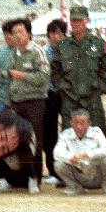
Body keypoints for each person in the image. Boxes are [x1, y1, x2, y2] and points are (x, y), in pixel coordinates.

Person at [4, 17, 49, 193]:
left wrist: (23, 76)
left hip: (34, 102)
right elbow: (8, 80)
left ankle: (34, 179)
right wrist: (8, 103)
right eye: (14, 33)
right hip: (16, 103)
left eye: (21, 32)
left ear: (29, 33)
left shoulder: (38, 52)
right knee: (16, 140)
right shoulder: (13, 54)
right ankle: (20, 179)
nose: (18, 36)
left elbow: (44, 77)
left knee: (34, 140)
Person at [52, 6, 106, 137]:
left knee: (98, 136)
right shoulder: (62, 45)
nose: (76, 23)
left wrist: (99, 86)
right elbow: (55, 70)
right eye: (73, 21)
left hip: (92, 99)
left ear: (86, 20)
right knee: (69, 136)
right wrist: (62, 88)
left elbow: (105, 69)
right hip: (70, 99)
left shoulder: (99, 44)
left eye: (79, 20)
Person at [54, 109, 106, 196]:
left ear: (89, 123)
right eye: (76, 123)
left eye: (82, 123)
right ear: (71, 123)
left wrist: (88, 154)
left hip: (97, 176)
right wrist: (71, 157)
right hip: (78, 176)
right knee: (58, 164)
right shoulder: (65, 134)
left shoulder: (96, 132)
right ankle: (75, 187)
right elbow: (56, 153)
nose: (79, 127)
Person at [42, 19, 66, 186]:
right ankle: (52, 170)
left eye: (60, 33)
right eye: (53, 33)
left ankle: (66, 170)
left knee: (66, 132)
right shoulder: (43, 52)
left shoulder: (69, 51)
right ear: (48, 35)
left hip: (65, 95)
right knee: (49, 134)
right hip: (48, 95)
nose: (56, 37)